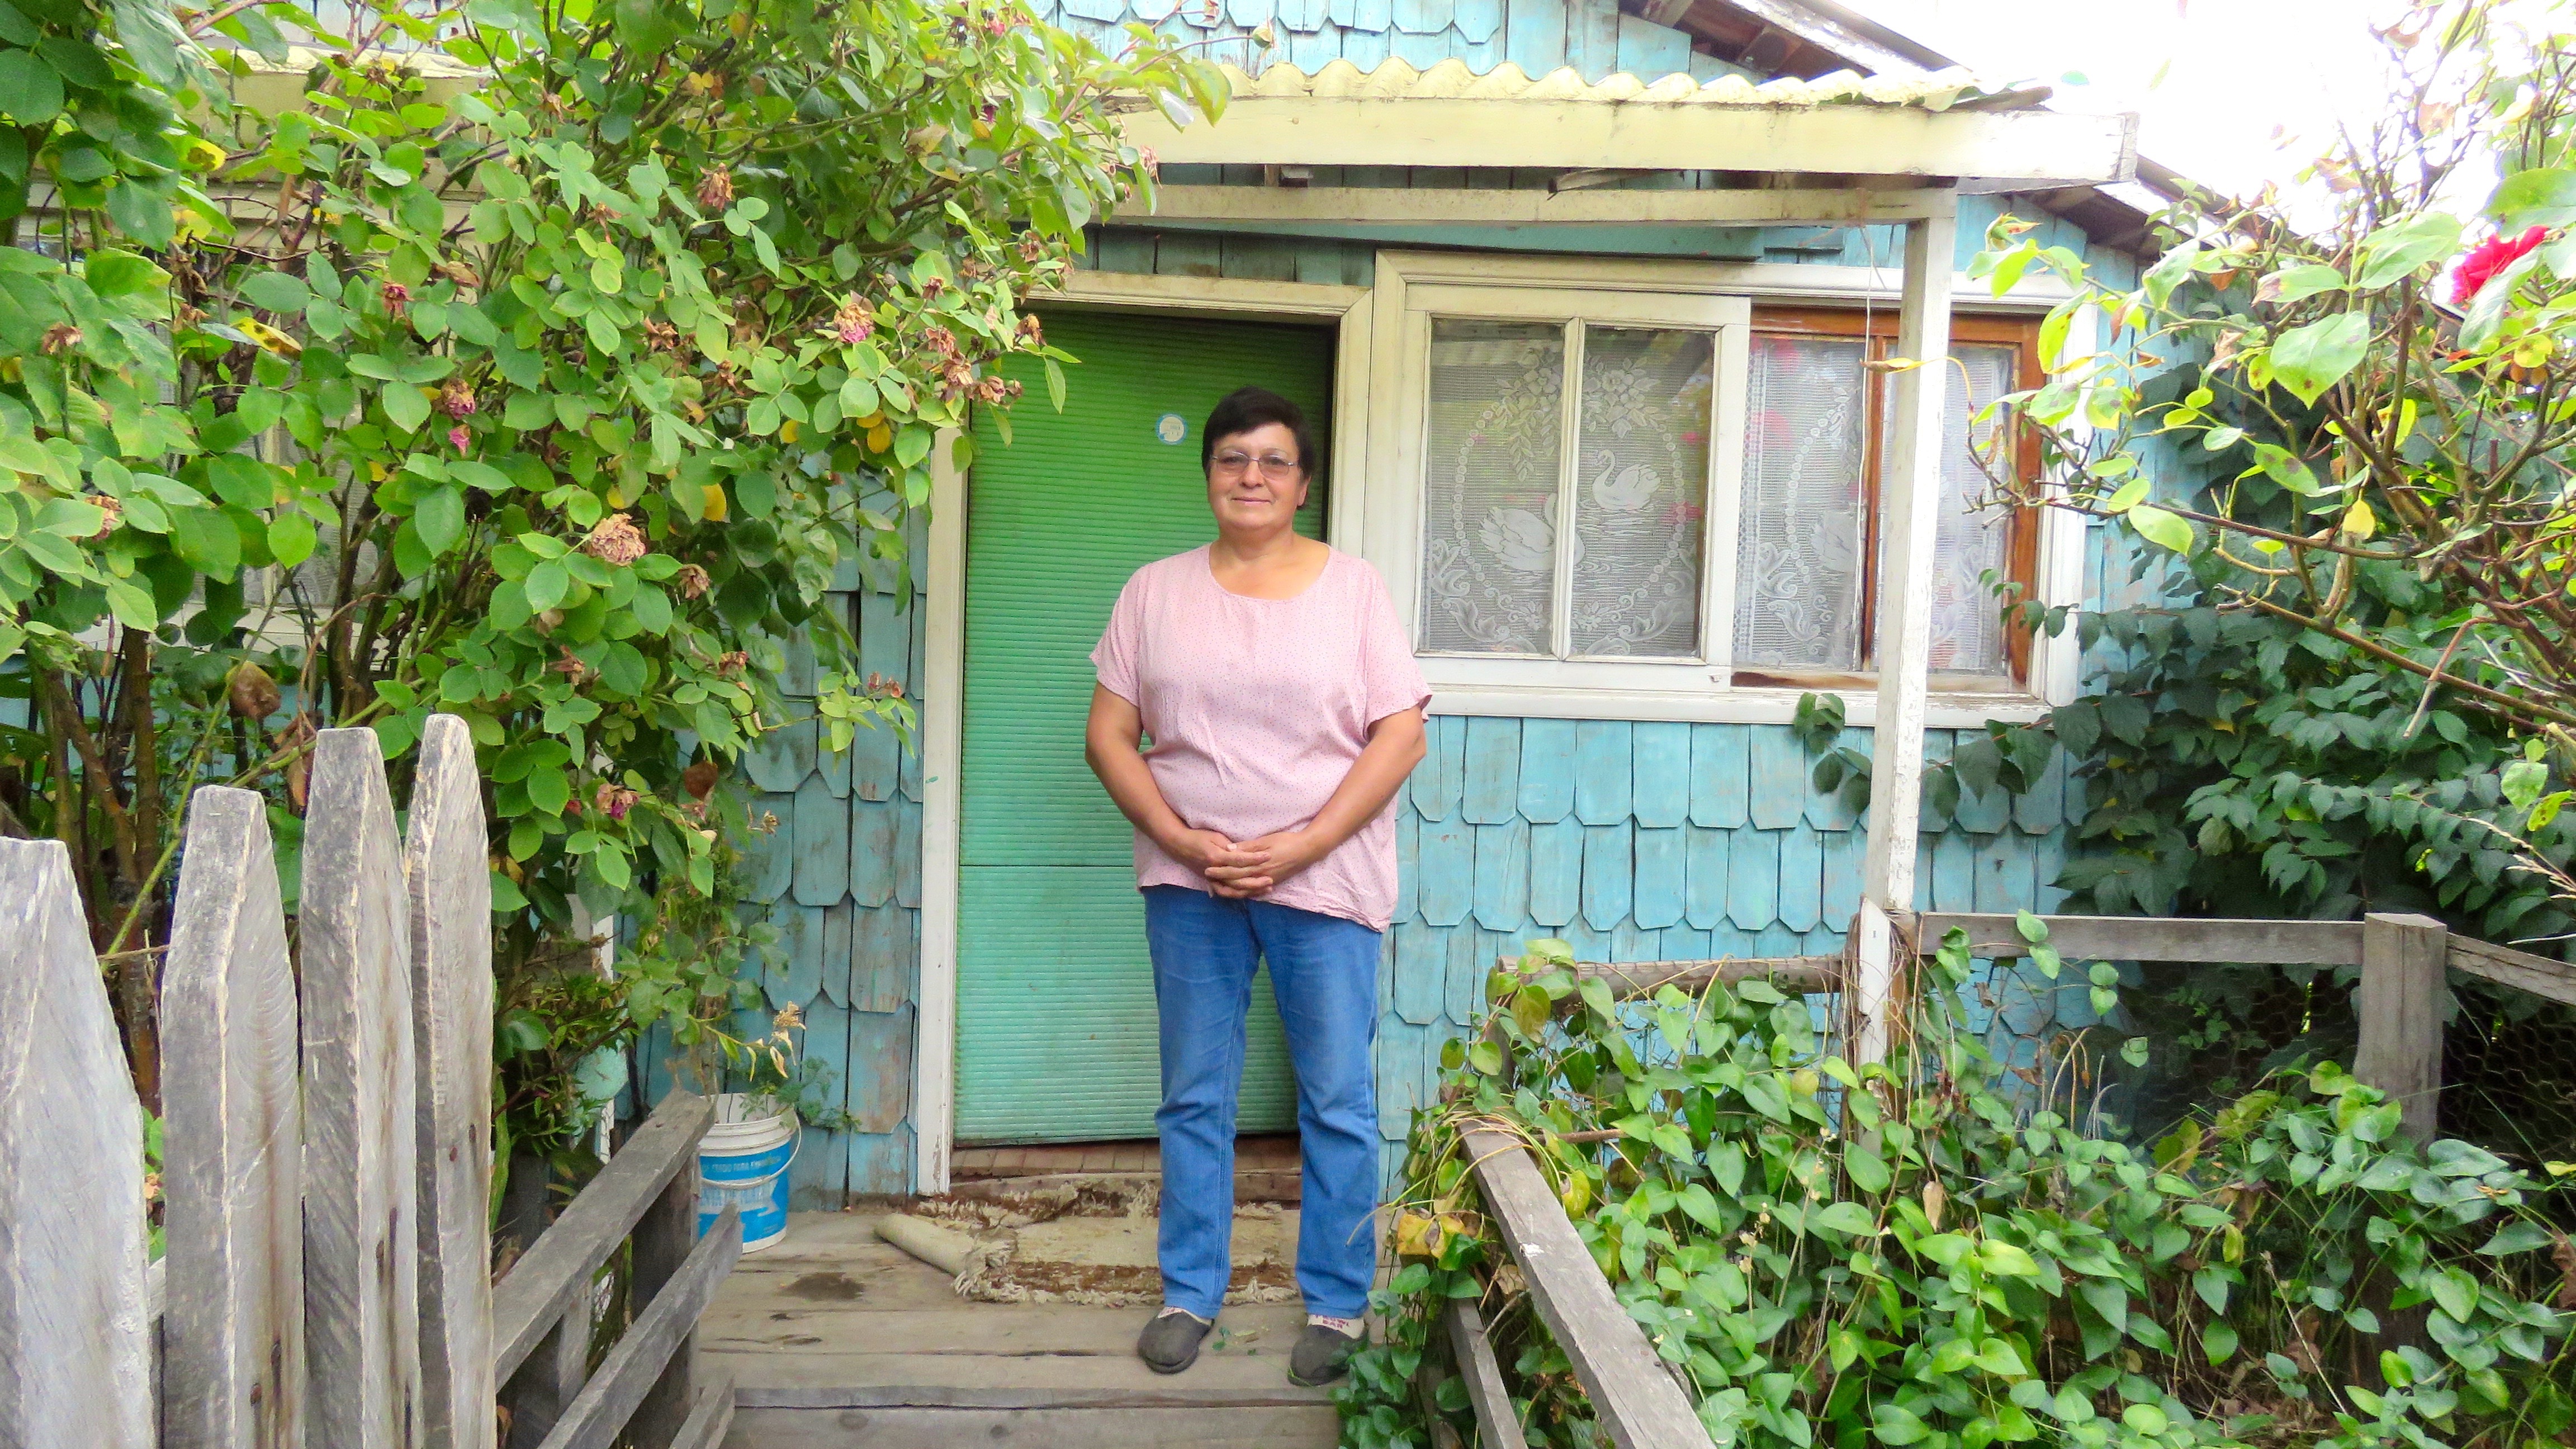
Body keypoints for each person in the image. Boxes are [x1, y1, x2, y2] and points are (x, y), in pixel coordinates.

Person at [1085, 385, 1429, 1387]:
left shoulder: (1354, 591)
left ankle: (1337, 1302)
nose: (1252, 475)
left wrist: (1301, 845)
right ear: (1208, 476)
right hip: (1190, 884)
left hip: (1325, 877)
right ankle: (1189, 1291)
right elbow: (1109, 735)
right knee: (1194, 1095)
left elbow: (1401, 733)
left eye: (1274, 460)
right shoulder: (1154, 592)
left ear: (1303, 483)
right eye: (1233, 457)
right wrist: (1180, 840)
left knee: (1336, 1096)